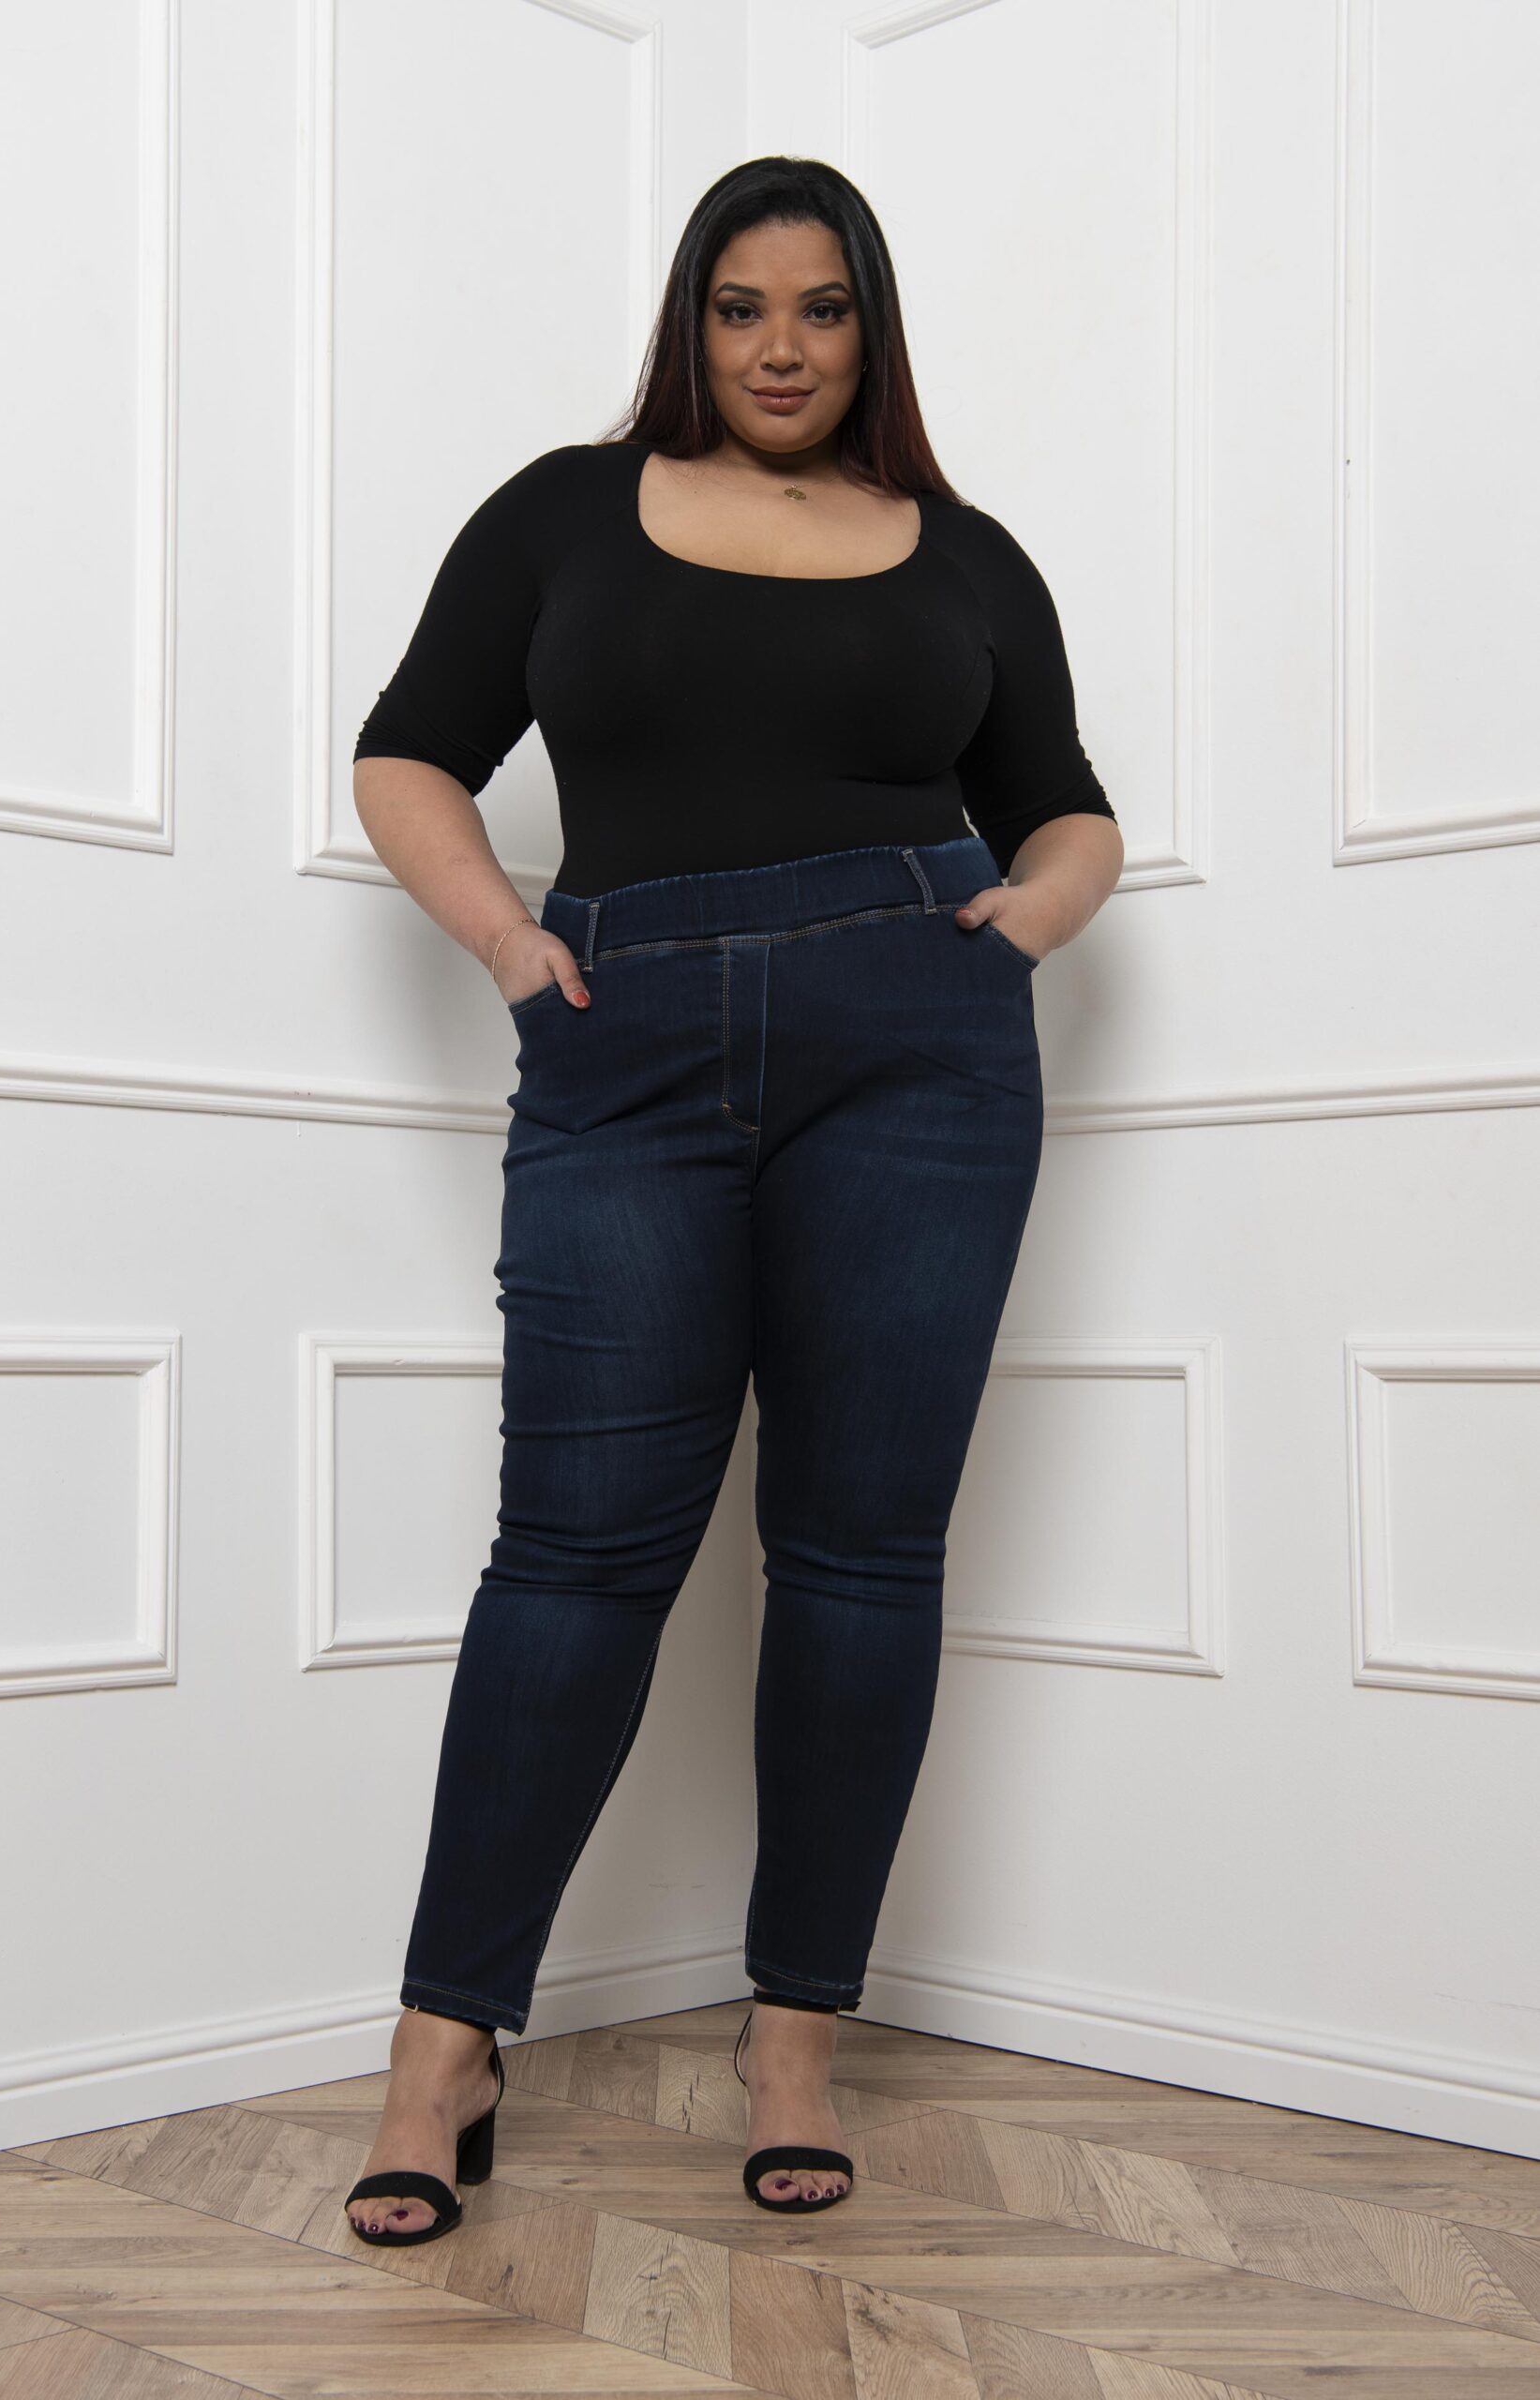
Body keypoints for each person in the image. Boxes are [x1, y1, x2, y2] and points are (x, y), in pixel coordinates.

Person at [342, 155, 1124, 2242]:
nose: (781, 347)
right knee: (574, 1553)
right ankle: (442, 2048)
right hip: (626, 1043)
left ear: (872, 328)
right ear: (692, 319)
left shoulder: (966, 554)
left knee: (858, 1555)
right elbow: (409, 752)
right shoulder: (560, 513)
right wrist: (510, 944)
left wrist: (1024, 923)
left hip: (918, 1046)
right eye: (741, 306)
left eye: (822, 308)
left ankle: (793, 2043)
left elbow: (1064, 807)